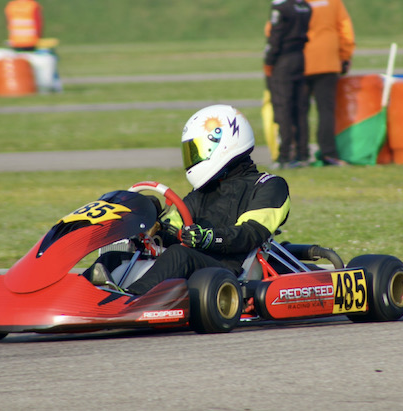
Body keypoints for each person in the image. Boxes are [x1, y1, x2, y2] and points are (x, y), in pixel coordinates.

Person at [89, 105, 291, 296]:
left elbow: (249, 234)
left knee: (179, 255)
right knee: (112, 258)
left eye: (197, 150)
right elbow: (174, 228)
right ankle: (83, 294)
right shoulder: (202, 191)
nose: (193, 157)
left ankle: (127, 300)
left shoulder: (269, 186)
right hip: (194, 263)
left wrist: (208, 237)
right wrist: (153, 227)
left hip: (229, 269)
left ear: (224, 144)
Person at [302, 0, 355, 166]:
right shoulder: (333, 1)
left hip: (300, 60)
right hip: (327, 60)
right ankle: (328, 153)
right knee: (326, 110)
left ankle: (300, 154)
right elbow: (345, 27)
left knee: (299, 111)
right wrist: (345, 55)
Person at [264, 0, 312, 169]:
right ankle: (303, 153)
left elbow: (275, 36)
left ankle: (284, 156)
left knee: (283, 107)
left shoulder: (281, 7)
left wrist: (268, 60)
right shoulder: (305, 6)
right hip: (300, 58)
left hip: (283, 61)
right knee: (300, 109)